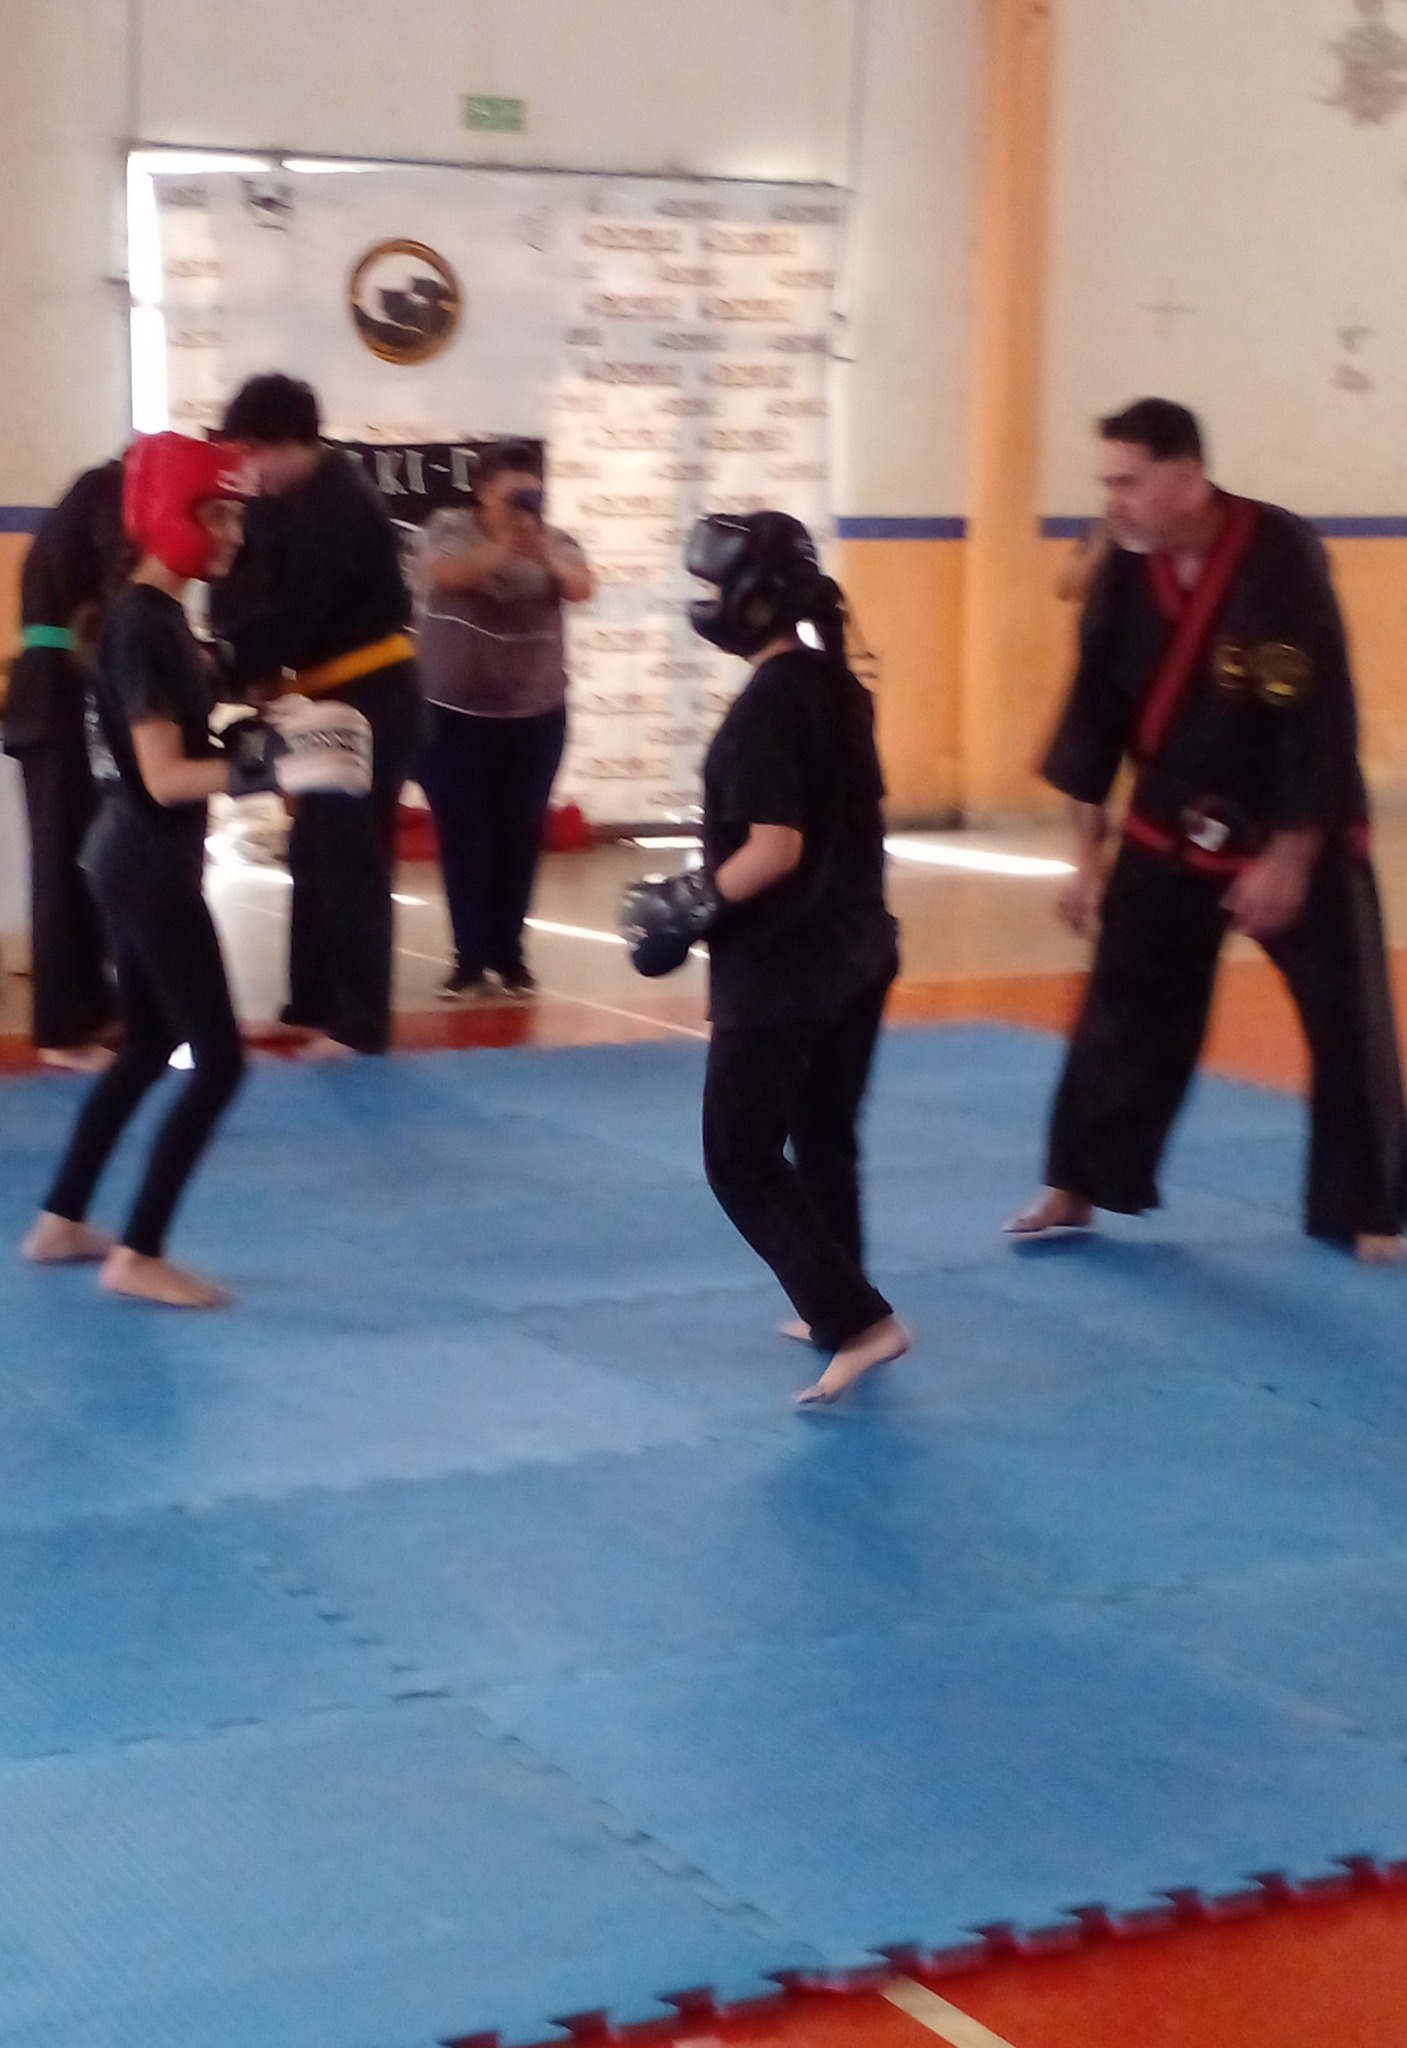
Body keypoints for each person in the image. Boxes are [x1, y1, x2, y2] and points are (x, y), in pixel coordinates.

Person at [1010, 398, 1407, 1262]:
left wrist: (1290, 859)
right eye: (1106, 483)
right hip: (1170, 819)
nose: (1112, 501)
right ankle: (1077, 1182)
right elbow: (1094, 719)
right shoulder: (1122, 569)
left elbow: (1315, 714)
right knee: (1122, 1005)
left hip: (1291, 818)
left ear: (1188, 475)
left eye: (1128, 482)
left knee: (1347, 1016)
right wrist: (1086, 859)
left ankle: (1368, 1207)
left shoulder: (1277, 557)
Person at [622, 511, 908, 1406]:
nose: (703, 603)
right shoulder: (836, 685)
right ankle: (837, 1303)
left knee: (738, 1157)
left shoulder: (766, 707)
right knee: (821, 1134)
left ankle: (857, 1322)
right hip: (860, 948)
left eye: (712, 587)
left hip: (787, 964)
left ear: (752, 599)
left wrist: (688, 902)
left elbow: (775, 848)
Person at [21, 434, 258, 1307]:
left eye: (234, 515)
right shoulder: (145, 623)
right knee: (221, 1063)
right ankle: (139, 1253)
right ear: (166, 515)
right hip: (148, 863)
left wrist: (252, 735)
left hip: (127, 857)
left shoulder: (148, 617)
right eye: (216, 513)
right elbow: (163, 778)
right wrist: (267, 773)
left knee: (151, 1044)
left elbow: (165, 748)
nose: (231, 533)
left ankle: (61, 1220)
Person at [211, 374, 423, 1058]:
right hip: (327, 695)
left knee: (351, 857)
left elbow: (293, 613)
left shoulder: (337, 504)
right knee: (313, 849)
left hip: (369, 695)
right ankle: (310, 1001)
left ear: (285, 441)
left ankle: (358, 1023)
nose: (249, 469)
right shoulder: (292, 501)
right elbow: (248, 594)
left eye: (252, 451)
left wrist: (238, 671)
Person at [413, 441, 593, 999]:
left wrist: (540, 553)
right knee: (463, 836)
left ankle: (510, 956)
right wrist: (501, 550)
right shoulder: (449, 529)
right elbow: (440, 574)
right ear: (482, 491)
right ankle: (468, 959)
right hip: (452, 715)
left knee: (520, 835)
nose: (523, 505)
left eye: (532, 493)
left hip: (535, 715)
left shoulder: (555, 541)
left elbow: (582, 586)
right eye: (511, 493)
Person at [3, 459, 126, 1070]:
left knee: (82, 858)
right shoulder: (110, 495)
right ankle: (61, 1030)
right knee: (58, 863)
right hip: (53, 697)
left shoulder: (76, 514)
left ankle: (95, 1006)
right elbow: (119, 577)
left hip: (56, 691)